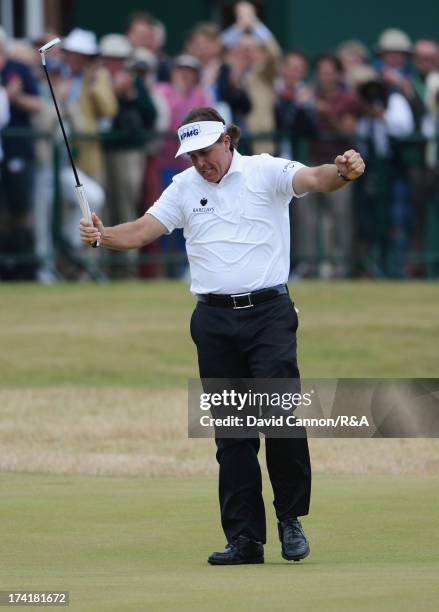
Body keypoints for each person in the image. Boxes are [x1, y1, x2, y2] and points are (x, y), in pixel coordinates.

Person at [79, 106, 365, 564]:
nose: (199, 162)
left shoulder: (264, 171)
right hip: (212, 322)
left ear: (228, 141)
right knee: (233, 434)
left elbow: (315, 179)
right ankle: (245, 539)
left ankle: (290, 520)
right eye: (191, 155)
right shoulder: (184, 187)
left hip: (269, 313)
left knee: (280, 418)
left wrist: (343, 172)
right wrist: (102, 235)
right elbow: (141, 231)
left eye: (206, 151)